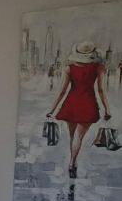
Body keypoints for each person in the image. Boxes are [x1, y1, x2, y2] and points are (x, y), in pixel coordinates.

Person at [46, 41, 111, 179]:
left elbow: (62, 91)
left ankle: (72, 160)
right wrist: (107, 109)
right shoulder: (98, 68)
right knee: (79, 137)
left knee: (72, 136)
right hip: (88, 103)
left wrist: (52, 110)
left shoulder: (69, 68)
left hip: (71, 103)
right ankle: (72, 162)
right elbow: (101, 90)